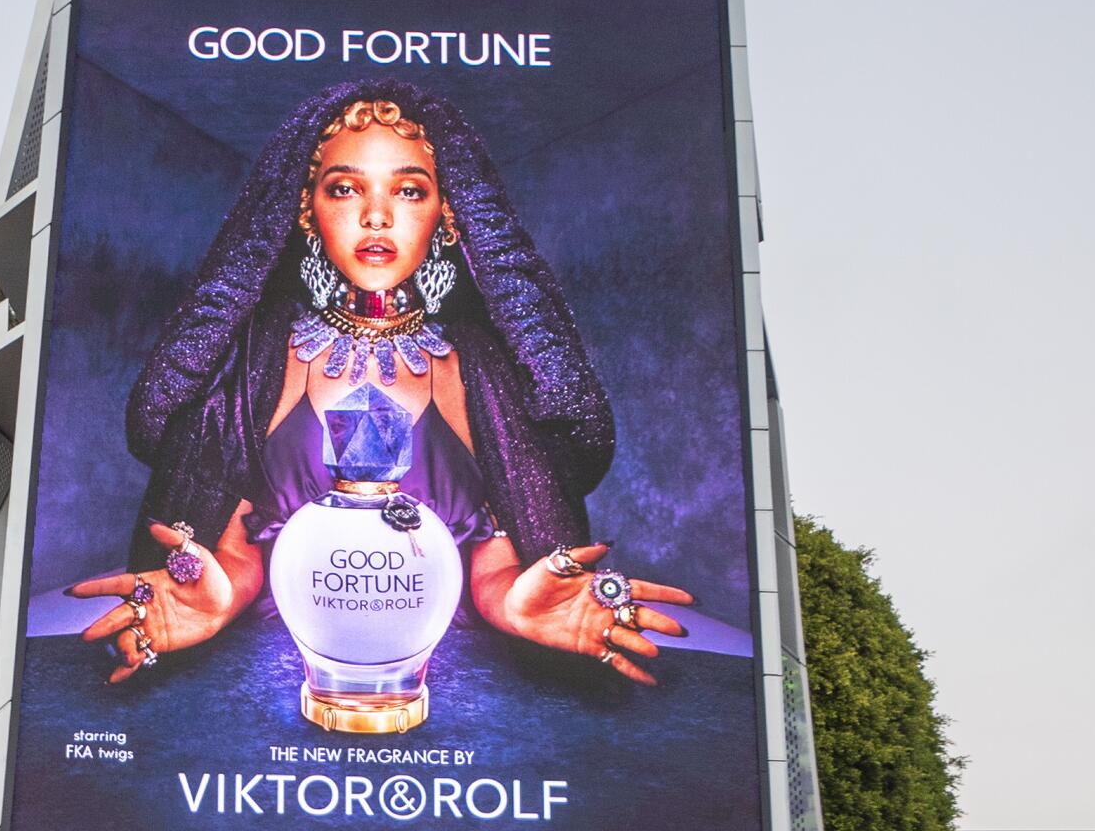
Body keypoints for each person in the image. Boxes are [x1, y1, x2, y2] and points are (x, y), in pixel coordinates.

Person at [71, 83, 692, 689]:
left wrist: (515, 606)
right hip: (274, 677)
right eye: (345, 188)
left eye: (409, 190)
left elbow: (496, 563)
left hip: (451, 683)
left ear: (448, 213)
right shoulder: (256, 360)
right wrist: (217, 597)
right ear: (305, 210)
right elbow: (234, 552)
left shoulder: (485, 371)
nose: (376, 215)